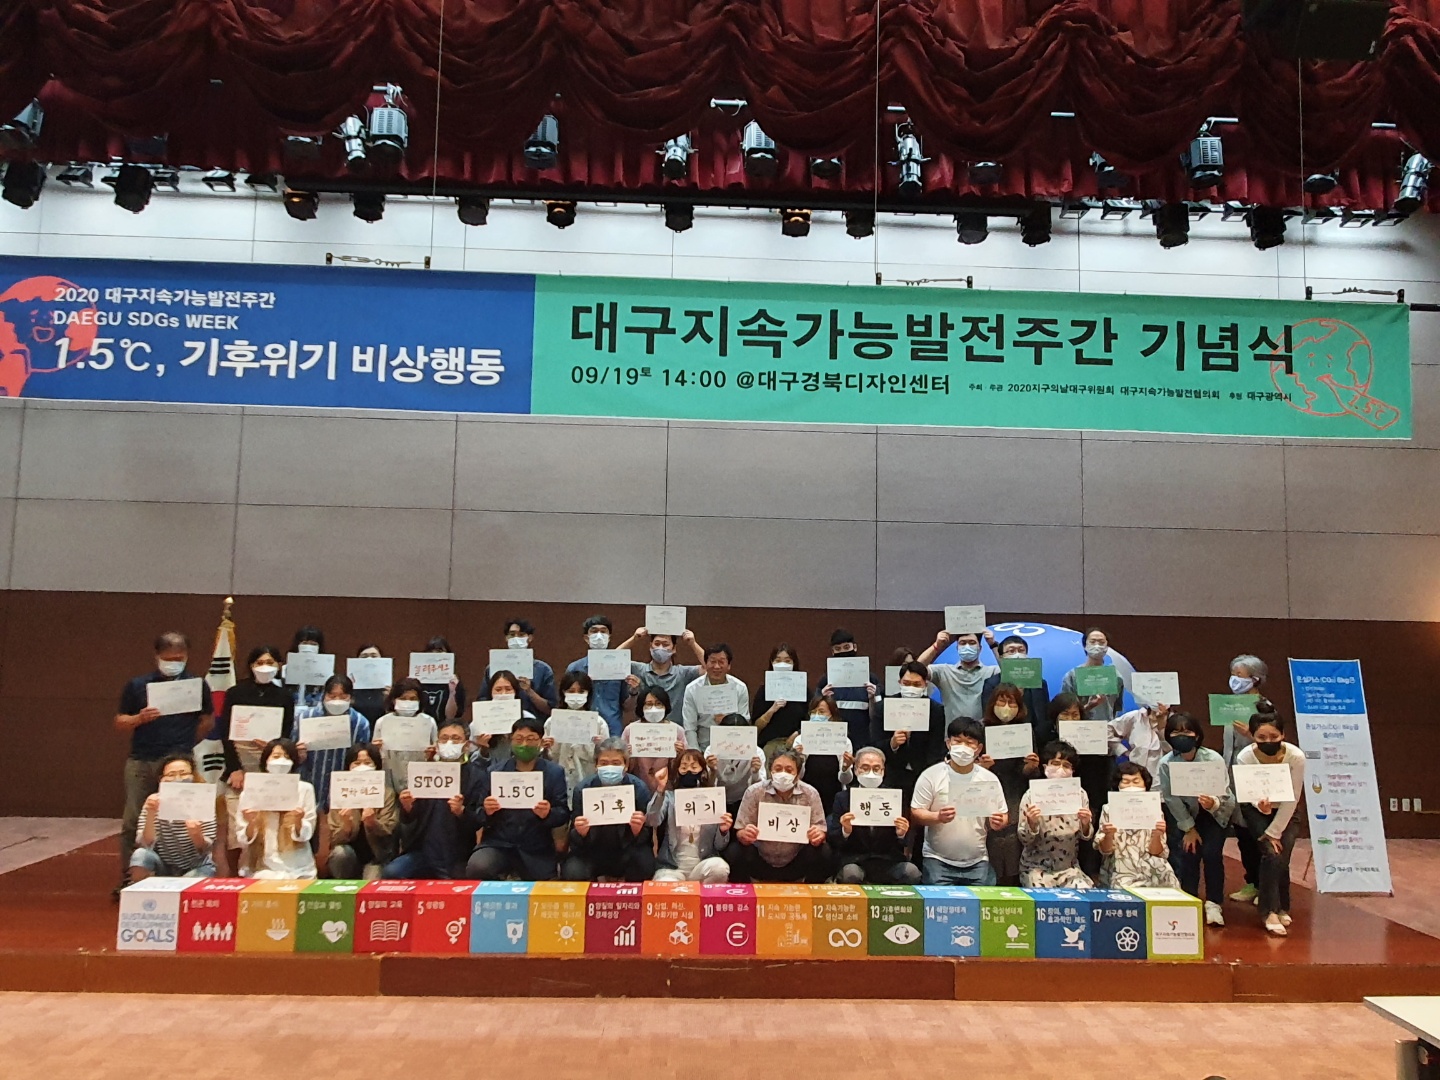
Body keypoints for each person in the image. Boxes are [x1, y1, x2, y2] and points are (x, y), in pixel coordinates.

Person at [114, 632, 215, 891]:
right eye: (168, 659)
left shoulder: (196, 685)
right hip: (142, 760)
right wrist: (139, 718)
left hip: (180, 762)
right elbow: (119, 721)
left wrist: (186, 743)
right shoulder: (138, 685)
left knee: (186, 819)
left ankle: (189, 870)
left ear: (187, 656)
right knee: (133, 820)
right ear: (157, 656)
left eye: (179, 658)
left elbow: (207, 720)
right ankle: (130, 876)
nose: (174, 663)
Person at [219, 645, 297, 864]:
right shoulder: (235, 693)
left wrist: (272, 747)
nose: (265, 667)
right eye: (260, 663)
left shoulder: (285, 697)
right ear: (251, 666)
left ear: (279, 665)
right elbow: (225, 734)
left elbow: (286, 737)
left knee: (266, 828)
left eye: (270, 663)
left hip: (270, 764)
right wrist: (235, 768)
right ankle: (234, 876)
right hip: (240, 764)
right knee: (236, 832)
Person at [908, 718, 1009, 885]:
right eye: (958, 741)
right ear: (948, 743)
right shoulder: (931, 775)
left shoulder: (989, 779)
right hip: (937, 860)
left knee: (980, 902)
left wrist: (999, 822)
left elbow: (1002, 814)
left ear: (979, 749)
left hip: (978, 861)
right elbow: (916, 812)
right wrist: (937, 817)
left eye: (969, 743)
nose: (963, 747)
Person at [467, 717, 570, 880]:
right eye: (519, 739)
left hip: (536, 847)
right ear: (511, 741)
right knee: (478, 867)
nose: (524, 744)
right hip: (498, 843)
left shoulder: (554, 773)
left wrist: (548, 813)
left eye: (531, 739)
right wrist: (487, 811)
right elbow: (477, 814)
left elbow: (562, 813)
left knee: (547, 885)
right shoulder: (495, 772)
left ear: (541, 741)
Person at [1157, 712, 1233, 925]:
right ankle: (1189, 898)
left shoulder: (1213, 759)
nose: (1182, 736)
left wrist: (1212, 803)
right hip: (1186, 814)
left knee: (1211, 853)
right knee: (1188, 853)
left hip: (1215, 813)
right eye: (1176, 732)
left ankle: (1214, 903)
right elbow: (1171, 798)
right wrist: (1189, 828)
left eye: (1187, 731)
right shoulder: (1166, 763)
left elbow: (1224, 791)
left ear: (1197, 735)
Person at [384, 721, 486, 880]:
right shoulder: (423, 772)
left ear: (466, 745)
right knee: (393, 872)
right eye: (444, 738)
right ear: (437, 745)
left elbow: (479, 821)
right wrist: (408, 807)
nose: (449, 743)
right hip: (421, 850)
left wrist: (461, 812)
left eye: (455, 738)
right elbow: (408, 819)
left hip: (459, 853)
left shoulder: (477, 776)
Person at [1235, 712, 1306, 936]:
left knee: (1282, 856)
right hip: (1256, 809)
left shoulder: (1296, 757)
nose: (1268, 741)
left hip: (1287, 810)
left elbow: (1293, 796)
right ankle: (1269, 912)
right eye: (1261, 737)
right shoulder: (1245, 757)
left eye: (1274, 736)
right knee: (1271, 854)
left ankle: (1283, 906)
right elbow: (1248, 792)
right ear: (1252, 736)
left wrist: (1275, 831)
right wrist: (1261, 806)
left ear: (1283, 735)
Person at [725, 750, 830, 883]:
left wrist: (818, 834)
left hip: (796, 860)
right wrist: (744, 834)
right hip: (760, 859)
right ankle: (745, 891)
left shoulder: (810, 793)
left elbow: (821, 828)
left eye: (789, 770)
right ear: (771, 771)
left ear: (797, 774)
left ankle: (810, 891)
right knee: (734, 852)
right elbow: (740, 829)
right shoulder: (754, 792)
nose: (783, 774)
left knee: (824, 852)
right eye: (778, 769)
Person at [562, 739, 654, 881]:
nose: (610, 768)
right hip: (591, 852)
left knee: (645, 865)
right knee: (573, 872)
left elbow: (647, 837)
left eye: (616, 763)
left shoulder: (638, 788)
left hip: (626, 850)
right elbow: (575, 839)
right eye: (604, 763)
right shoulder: (583, 789)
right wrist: (581, 832)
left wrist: (637, 831)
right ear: (596, 765)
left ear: (626, 765)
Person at [828, 747, 920, 885]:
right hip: (855, 860)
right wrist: (845, 831)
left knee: (911, 872)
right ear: (856, 770)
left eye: (876, 769)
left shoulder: (894, 797)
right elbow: (834, 838)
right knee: (851, 874)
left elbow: (906, 841)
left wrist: (901, 833)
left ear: (883, 771)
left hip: (888, 860)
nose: (871, 773)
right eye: (865, 768)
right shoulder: (843, 798)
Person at [982, 684, 1041, 886]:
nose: (1006, 706)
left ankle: (1012, 883)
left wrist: (1031, 767)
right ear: (993, 703)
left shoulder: (1025, 731)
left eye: (1012, 702)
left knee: (1012, 842)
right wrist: (982, 768)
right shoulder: (982, 729)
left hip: (1015, 792)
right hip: (988, 793)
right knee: (992, 841)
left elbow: (1027, 773)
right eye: (1002, 701)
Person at [1016, 740, 1095, 888]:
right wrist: (1031, 823)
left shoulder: (1080, 795)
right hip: (1036, 868)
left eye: (1066, 765)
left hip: (1069, 868)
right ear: (1045, 766)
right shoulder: (1031, 795)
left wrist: (1085, 824)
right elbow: (1024, 839)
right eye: (1055, 763)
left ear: (1072, 771)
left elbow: (1086, 836)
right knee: (1043, 895)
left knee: (1084, 891)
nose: (1060, 769)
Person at [647, 749, 733, 883]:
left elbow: (720, 846)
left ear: (702, 771)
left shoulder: (712, 798)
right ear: (677, 771)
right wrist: (660, 789)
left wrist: (723, 831)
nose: (688, 771)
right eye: (684, 767)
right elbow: (652, 820)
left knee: (720, 868)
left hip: (701, 865)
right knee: (663, 883)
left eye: (694, 767)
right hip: (672, 867)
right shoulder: (670, 797)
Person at [1224, 654, 1270, 904]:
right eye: (1233, 674)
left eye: (1240, 676)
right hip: (1232, 776)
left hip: (1256, 777)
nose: (1234, 680)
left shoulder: (1265, 709)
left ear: (1255, 679)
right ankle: (1251, 882)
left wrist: (1251, 735)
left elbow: (1273, 744)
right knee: (1241, 832)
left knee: (1257, 833)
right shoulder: (1229, 706)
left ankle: (1266, 887)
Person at [236, 739, 318, 879]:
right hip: (261, 866)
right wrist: (251, 823)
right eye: (276, 756)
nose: (281, 761)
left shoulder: (305, 789)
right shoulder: (251, 791)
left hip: (298, 868)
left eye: (287, 757)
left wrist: (298, 821)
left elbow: (307, 833)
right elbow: (242, 838)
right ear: (266, 761)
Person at [1094, 762, 1182, 891]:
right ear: (1118, 785)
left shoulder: (1155, 809)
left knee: (1168, 879)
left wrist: (1157, 834)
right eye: (1125, 782)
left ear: (1145, 784)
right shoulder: (1108, 809)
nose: (1131, 786)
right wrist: (1109, 834)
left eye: (1136, 781)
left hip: (1152, 865)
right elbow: (1105, 850)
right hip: (1121, 864)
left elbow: (1156, 852)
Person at [869, 660, 947, 805]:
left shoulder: (935, 710)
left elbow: (936, 747)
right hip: (891, 772)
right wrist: (892, 743)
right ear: (899, 682)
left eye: (917, 684)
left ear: (925, 684)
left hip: (922, 772)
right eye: (906, 683)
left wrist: (930, 775)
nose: (911, 688)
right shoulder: (884, 707)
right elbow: (874, 744)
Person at [130, 753, 218, 880]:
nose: (178, 779)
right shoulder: (153, 802)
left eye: (183, 773)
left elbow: (206, 848)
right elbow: (145, 843)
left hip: (197, 866)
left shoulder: (203, 801)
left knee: (195, 877)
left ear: (193, 776)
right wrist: (151, 814)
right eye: (171, 775)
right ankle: (138, 891)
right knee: (140, 855)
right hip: (163, 865)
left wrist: (196, 834)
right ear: (161, 779)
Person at [296, 674, 372, 817]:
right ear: (324, 696)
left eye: (343, 697)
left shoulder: (360, 723)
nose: (337, 701)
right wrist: (298, 755)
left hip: (342, 794)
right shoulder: (305, 718)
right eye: (332, 696)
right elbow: (290, 754)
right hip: (310, 782)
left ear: (351, 698)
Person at [322, 742, 399, 880]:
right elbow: (334, 839)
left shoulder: (387, 793)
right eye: (356, 763)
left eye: (368, 763)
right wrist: (346, 826)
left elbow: (390, 831)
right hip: (349, 856)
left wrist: (372, 822)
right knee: (340, 854)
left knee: (371, 882)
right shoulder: (340, 793)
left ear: (377, 766)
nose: (362, 767)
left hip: (376, 857)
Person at [540, 670, 608, 797]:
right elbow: (548, 757)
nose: (576, 695)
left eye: (581, 691)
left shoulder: (598, 723)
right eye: (571, 691)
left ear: (588, 694)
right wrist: (545, 747)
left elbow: (605, 757)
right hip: (559, 779)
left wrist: (600, 746)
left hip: (588, 778)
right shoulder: (552, 722)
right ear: (563, 692)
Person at [620, 624, 703, 725]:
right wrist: (634, 639)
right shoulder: (639, 669)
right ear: (650, 646)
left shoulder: (683, 673)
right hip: (644, 728)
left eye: (665, 644)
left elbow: (708, 668)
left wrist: (693, 644)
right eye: (657, 644)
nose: (660, 648)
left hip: (674, 729)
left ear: (674, 648)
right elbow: (612, 660)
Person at [983, 635, 1053, 746]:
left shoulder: (1039, 683)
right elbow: (988, 715)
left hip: (1036, 740)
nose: (1017, 655)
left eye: (1021, 651)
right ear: (1001, 657)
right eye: (1011, 651)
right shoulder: (992, 683)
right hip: (1003, 740)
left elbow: (1044, 715)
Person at [565, 615, 629, 737]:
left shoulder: (620, 668)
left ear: (609, 637)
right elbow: (565, 702)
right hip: (582, 729)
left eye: (603, 631)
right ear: (586, 638)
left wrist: (634, 691)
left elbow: (626, 705)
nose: (599, 635)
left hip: (612, 730)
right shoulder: (575, 668)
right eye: (594, 631)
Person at [479, 618, 557, 718]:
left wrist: (529, 691)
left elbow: (550, 709)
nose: (516, 638)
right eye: (512, 635)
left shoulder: (543, 670)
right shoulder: (492, 669)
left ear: (530, 638)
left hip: (533, 724)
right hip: (499, 721)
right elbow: (482, 702)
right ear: (506, 638)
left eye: (521, 635)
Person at [791, 693, 854, 815]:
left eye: (821, 712)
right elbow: (797, 777)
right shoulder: (800, 740)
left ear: (832, 715)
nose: (816, 716)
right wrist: (799, 760)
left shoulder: (844, 741)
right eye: (813, 712)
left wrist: (846, 768)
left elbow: (845, 781)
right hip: (806, 794)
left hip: (833, 795)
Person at [918, 629, 1000, 723]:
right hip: (952, 731)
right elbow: (917, 668)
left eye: (972, 643)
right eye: (962, 643)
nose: (967, 646)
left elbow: (1009, 672)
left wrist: (993, 645)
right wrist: (936, 646)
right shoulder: (943, 671)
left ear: (980, 648)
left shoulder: (992, 672)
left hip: (982, 730)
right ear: (957, 648)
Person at [371, 679, 438, 794]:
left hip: (420, 778)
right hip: (390, 777)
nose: (408, 702)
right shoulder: (383, 722)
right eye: (403, 698)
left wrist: (432, 754)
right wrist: (376, 749)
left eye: (413, 699)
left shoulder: (428, 722)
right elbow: (375, 756)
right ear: (394, 700)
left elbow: (436, 752)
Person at [683, 643, 751, 757]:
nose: (717, 666)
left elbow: (745, 722)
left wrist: (727, 720)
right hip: (703, 746)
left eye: (721, 662)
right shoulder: (692, 689)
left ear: (729, 665)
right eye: (712, 661)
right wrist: (697, 756)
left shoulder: (740, 688)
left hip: (733, 747)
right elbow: (690, 727)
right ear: (705, 664)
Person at [817, 630, 879, 747]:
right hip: (833, 739)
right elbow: (815, 713)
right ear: (832, 652)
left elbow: (878, 716)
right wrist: (822, 699)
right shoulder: (825, 681)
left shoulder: (870, 679)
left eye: (846, 647)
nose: (843, 652)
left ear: (854, 647)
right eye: (838, 649)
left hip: (862, 738)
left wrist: (872, 698)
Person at [622, 686, 686, 794]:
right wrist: (627, 756)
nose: (654, 708)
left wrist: (680, 754)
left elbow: (684, 765)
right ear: (641, 707)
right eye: (649, 704)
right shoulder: (630, 730)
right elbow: (622, 765)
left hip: (668, 790)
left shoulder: (677, 730)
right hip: (638, 789)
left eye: (658, 704)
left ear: (665, 706)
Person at [751, 644, 808, 757]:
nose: (783, 664)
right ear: (772, 663)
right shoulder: (763, 690)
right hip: (771, 743)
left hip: (797, 742)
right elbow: (756, 726)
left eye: (787, 661)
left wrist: (796, 735)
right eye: (778, 660)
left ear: (794, 663)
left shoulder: (803, 690)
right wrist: (772, 710)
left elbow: (810, 720)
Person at [1059, 627, 1123, 724]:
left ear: (1107, 646)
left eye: (1101, 642)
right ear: (1085, 645)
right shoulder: (1072, 676)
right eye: (1092, 642)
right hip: (1079, 728)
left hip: (1107, 728)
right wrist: (1088, 707)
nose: (1097, 645)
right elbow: (1066, 710)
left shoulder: (1116, 676)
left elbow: (1116, 708)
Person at [1108, 700, 1172, 774]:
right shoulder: (1135, 716)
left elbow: (1172, 750)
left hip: (1161, 775)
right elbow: (1107, 730)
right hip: (1136, 774)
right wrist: (1122, 750)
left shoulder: (1174, 720)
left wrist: (1161, 727)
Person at [415, 635, 465, 724]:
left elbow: (451, 717)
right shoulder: (417, 681)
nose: (435, 655)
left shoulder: (454, 683)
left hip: (444, 727)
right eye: (431, 652)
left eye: (439, 651)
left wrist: (452, 692)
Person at [284, 625, 328, 710]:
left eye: (313, 644)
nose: (308, 647)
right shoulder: (284, 670)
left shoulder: (326, 672)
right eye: (304, 643)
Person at [349, 643, 390, 725]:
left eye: (374, 656)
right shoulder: (349, 686)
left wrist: (390, 698)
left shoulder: (388, 687)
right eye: (364, 657)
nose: (369, 659)